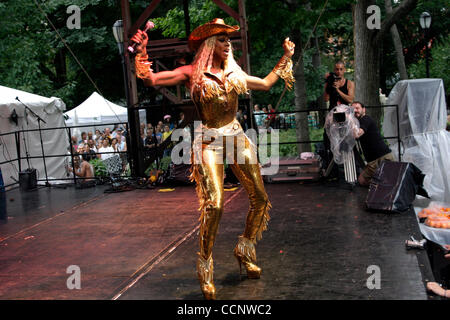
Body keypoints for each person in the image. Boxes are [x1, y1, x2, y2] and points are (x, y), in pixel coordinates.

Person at [132, 17, 295, 300]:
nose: (228, 44)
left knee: (260, 197)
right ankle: (205, 265)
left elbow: (267, 84)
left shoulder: (235, 74)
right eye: (222, 39)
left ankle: (244, 249)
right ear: (210, 44)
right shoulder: (193, 72)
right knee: (215, 204)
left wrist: (286, 56)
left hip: (236, 136)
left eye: (229, 39)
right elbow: (151, 79)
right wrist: (143, 52)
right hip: (208, 140)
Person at [351, 101, 394, 186]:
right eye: (352, 109)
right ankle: (380, 186)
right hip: (373, 161)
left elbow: (357, 134)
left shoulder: (366, 119)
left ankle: (382, 187)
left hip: (383, 157)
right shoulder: (358, 123)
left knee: (390, 180)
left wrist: (349, 121)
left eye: (357, 108)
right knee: (362, 180)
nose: (355, 110)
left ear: (364, 109)